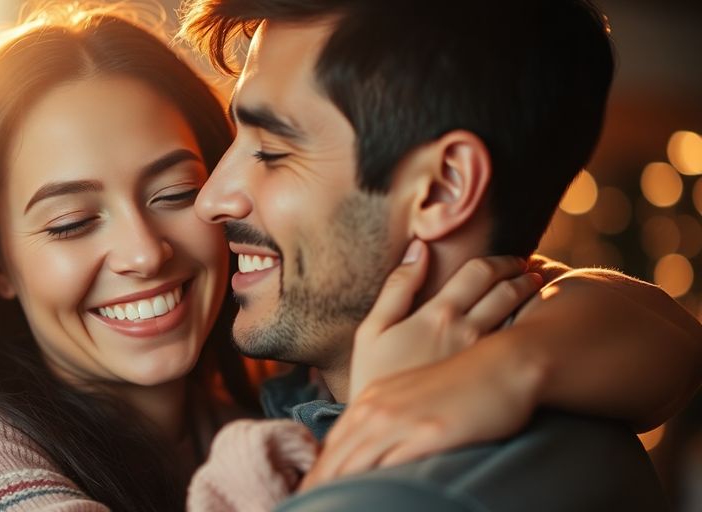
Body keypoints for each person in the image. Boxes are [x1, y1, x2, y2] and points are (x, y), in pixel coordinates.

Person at [0, 3, 700, 512]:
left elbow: (661, 335)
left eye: (175, 190)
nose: (143, 250)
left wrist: (509, 366)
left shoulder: (270, 382)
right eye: (69, 225)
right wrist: (371, 435)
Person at [178, 0, 702, 510]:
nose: (212, 198)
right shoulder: (558, 352)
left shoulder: (412, 492)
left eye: (273, 151)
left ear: (442, 188)